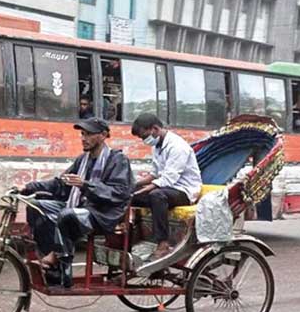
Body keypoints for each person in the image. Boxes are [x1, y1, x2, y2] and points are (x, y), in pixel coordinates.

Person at [17, 117, 133, 287]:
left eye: (89, 134)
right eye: (82, 134)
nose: (83, 139)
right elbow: (60, 183)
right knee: (37, 206)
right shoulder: (82, 160)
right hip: (80, 207)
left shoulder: (117, 160)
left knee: (67, 215)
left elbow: (120, 192)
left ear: (103, 135)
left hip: (103, 214)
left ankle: (62, 266)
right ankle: (53, 260)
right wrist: (28, 187)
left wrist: (85, 185)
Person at [130, 114, 202, 259]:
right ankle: (131, 235)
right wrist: (134, 185)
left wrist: (148, 188)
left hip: (184, 190)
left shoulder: (177, 146)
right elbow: (155, 174)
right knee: (128, 194)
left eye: (144, 137)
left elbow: (169, 178)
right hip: (166, 187)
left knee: (156, 195)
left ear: (155, 129)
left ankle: (163, 243)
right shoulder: (157, 146)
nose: (144, 141)